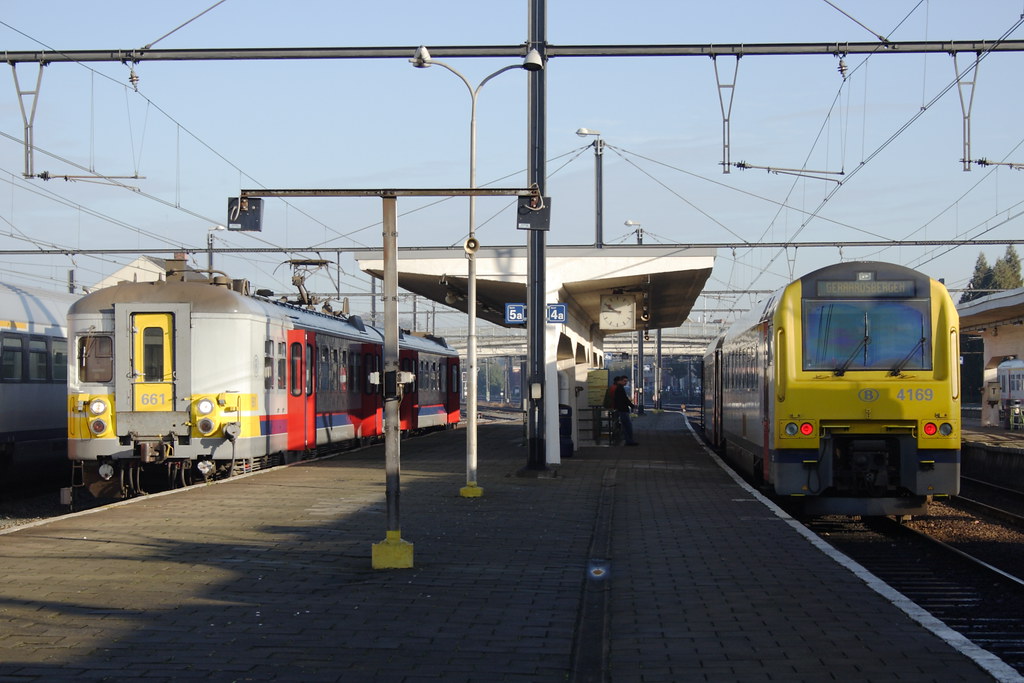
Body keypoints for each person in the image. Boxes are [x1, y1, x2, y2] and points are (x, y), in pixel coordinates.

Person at [612, 375, 639, 446]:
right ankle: (629, 441)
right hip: (623, 410)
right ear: (620, 381)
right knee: (627, 426)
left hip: (621, 409)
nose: (626, 383)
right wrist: (632, 405)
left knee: (625, 426)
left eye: (626, 381)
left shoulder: (619, 388)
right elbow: (625, 399)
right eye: (624, 381)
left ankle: (628, 440)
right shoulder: (620, 388)